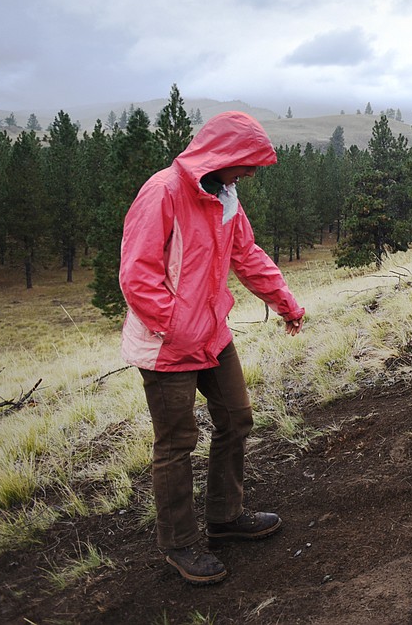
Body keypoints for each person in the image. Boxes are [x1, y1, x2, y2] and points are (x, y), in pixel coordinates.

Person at [119, 110, 306, 584]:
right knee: (177, 442)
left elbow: (247, 255)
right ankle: (179, 544)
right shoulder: (162, 192)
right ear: (223, 155)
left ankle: (224, 517)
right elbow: (136, 276)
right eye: (247, 163)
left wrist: (285, 302)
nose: (250, 173)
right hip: (168, 346)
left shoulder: (226, 197)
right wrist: (179, 330)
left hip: (212, 335)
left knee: (236, 417)